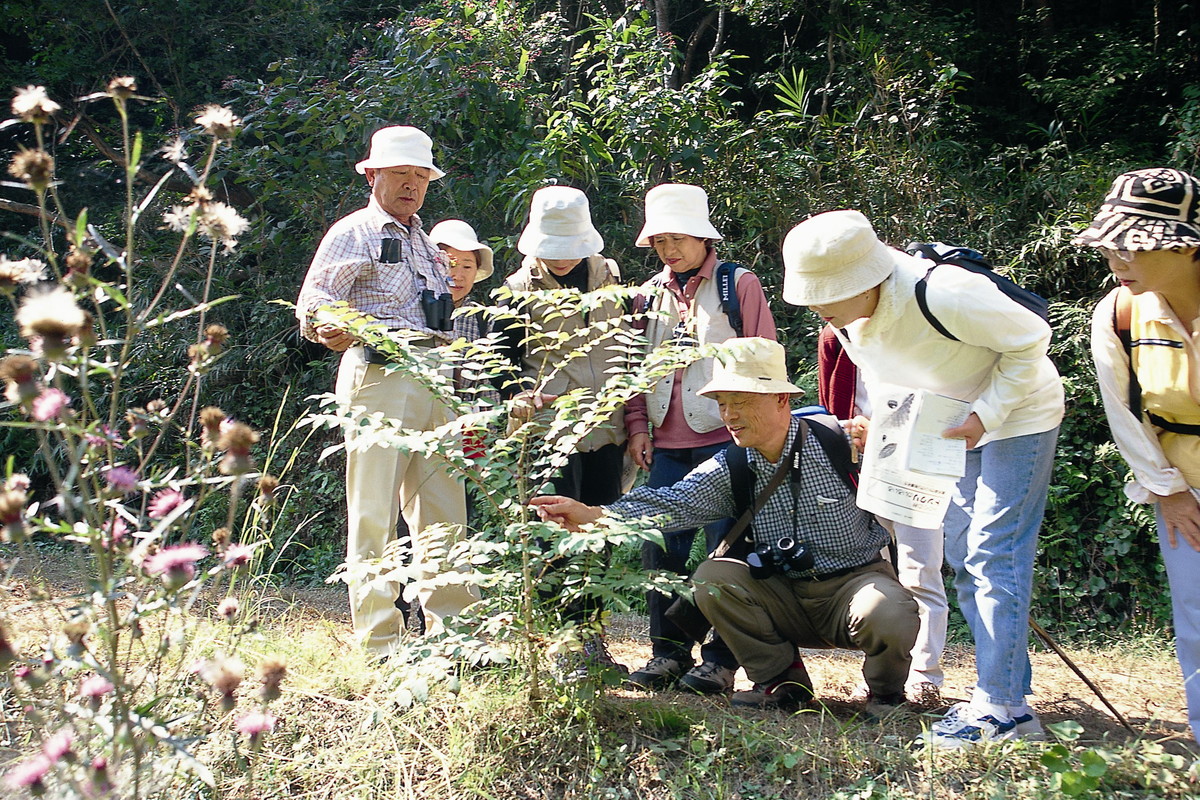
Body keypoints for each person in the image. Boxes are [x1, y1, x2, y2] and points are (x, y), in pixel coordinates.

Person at [782, 210, 1064, 748]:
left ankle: (1001, 710)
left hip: (1019, 416)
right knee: (962, 555)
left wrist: (988, 414)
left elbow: (1032, 339)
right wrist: (881, 427)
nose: (817, 305)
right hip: (950, 425)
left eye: (825, 293)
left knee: (992, 552)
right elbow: (897, 375)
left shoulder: (947, 293)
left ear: (867, 279)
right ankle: (1006, 696)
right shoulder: (846, 318)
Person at [532, 337, 920, 714]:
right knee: (713, 577)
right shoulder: (733, 463)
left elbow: (920, 474)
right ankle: (782, 683)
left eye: (742, 401)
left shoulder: (842, 441)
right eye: (722, 403)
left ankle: (886, 695)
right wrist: (595, 515)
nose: (729, 415)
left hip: (853, 587)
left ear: (781, 399)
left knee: (889, 610)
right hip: (781, 595)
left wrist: (884, 445)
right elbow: (674, 502)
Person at [295, 125, 478, 658]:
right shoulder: (354, 231)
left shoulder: (426, 240)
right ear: (372, 174)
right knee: (374, 510)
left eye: (420, 176)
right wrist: (334, 326)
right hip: (379, 373)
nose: (411, 185)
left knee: (446, 511)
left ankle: (454, 639)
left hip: (436, 377)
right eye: (400, 174)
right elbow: (316, 301)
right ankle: (379, 642)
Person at [623, 183, 778, 695]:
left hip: (725, 440)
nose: (670, 250)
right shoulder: (646, 295)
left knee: (726, 552)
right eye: (661, 240)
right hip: (664, 444)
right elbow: (631, 370)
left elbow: (764, 363)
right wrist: (638, 430)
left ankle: (720, 661)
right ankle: (666, 653)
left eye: (679, 238)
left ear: (703, 236)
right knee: (659, 549)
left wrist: (754, 437)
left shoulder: (739, 285)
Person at [1077, 167, 1200, 747]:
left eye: (1132, 243)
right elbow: (1126, 416)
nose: (1115, 257)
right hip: (1183, 487)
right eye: (1111, 242)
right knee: (1196, 616)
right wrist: (1168, 490)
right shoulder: (1119, 315)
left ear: (1185, 246)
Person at [500, 185, 630, 680]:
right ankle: (559, 643)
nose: (559, 258)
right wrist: (519, 398)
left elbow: (627, 344)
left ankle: (591, 635)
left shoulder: (610, 276)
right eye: (550, 248)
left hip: (606, 427)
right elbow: (503, 366)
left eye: (567, 247)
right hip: (549, 432)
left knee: (601, 532)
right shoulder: (515, 289)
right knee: (553, 532)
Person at [817, 324, 947, 705]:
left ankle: (925, 675)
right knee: (876, 573)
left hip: (918, 464)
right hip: (863, 468)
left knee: (920, 569)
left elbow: (942, 398)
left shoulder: (916, 322)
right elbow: (831, 407)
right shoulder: (832, 335)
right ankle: (884, 677)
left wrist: (886, 430)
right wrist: (846, 433)